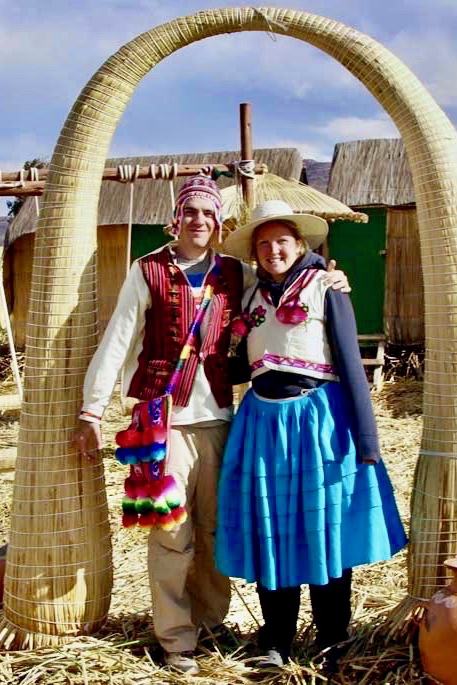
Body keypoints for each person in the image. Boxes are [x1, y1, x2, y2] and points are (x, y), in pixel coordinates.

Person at [73, 176, 349, 676]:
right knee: (172, 533)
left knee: (217, 529)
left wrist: (330, 277)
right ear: (175, 219)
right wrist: (92, 411)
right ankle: (177, 638)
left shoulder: (234, 273)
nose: (199, 221)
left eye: (208, 214)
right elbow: (117, 339)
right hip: (165, 422)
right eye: (190, 212)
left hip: (223, 419)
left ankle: (211, 623)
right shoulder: (148, 270)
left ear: (218, 224)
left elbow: (283, 277)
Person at [214, 200, 408, 673]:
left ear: (300, 244)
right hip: (263, 422)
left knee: (326, 531)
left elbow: (348, 360)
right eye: (263, 244)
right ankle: (276, 638)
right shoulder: (252, 298)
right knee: (272, 530)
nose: (272, 250)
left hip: (319, 421)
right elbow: (244, 361)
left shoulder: (326, 286)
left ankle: (332, 640)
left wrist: (366, 439)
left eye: (282, 241)